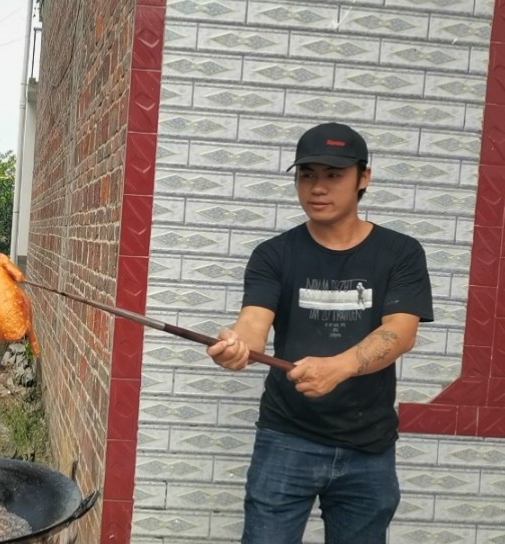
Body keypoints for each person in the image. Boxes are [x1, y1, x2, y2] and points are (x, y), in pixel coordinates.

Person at [207, 122, 434, 544]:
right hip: (285, 438)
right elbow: (253, 323)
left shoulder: (400, 253)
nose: (317, 187)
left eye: (333, 175)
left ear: (363, 177)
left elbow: (400, 333)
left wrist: (339, 367)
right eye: (307, 174)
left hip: (369, 446)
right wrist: (237, 346)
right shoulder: (274, 254)